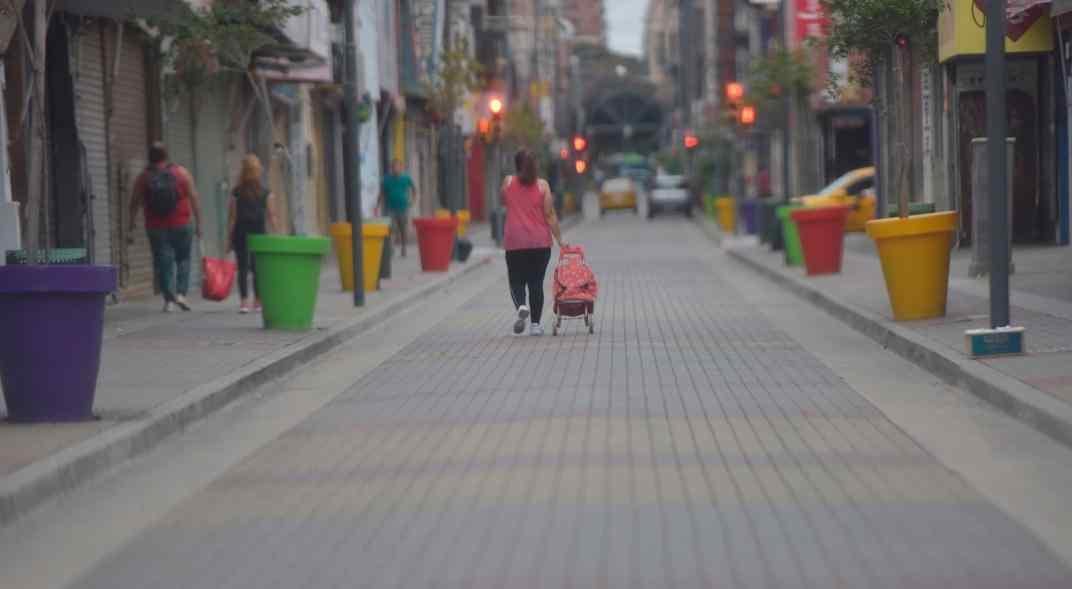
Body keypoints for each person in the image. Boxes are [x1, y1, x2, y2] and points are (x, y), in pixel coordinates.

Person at [129, 141, 203, 313]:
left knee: (163, 262)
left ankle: (169, 300)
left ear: (150, 157)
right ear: (166, 155)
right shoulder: (181, 173)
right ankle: (181, 294)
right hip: (182, 224)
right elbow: (195, 199)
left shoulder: (144, 177)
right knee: (183, 259)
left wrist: (130, 226)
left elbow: (134, 203)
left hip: (156, 227)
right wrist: (199, 224)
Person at [501, 148, 567, 336]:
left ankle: (521, 306)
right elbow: (550, 215)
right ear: (535, 165)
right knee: (536, 282)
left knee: (516, 281)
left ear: (516, 165)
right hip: (540, 242)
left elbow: (504, 199)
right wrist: (560, 239)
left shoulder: (508, 182)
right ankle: (536, 325)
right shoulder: (543, 186)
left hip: (515, 241)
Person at [226, 154, 281, 314]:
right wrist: (277, 234)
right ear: (258, 171)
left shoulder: (236, 192)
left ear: (242, 170)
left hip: (240, 232)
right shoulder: (266, 192)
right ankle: (258, 302)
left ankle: (244, 303)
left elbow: (232, 218)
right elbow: (272, 215)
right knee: (258, 268)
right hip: (259, 233)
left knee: (242, 267)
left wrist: (228, 239)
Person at [380, 159, 417, 257]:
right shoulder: (386, 179)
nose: (395, 168)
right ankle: (391, 248)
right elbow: (382, 193)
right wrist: (377, 205)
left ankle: (403, 247)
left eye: (397, 166)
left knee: (402, 229)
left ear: (401, 167)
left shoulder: (406, 178)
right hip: (390, 208)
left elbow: (414, 189)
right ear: (391, 168)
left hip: (403, 208)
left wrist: (412, 201)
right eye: (393, 166)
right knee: (390, 228)